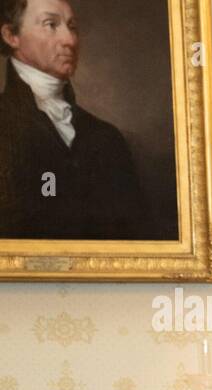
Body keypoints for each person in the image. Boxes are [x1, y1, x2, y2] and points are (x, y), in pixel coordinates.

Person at [0, 0, 151, 238]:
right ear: (11, 35)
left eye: (72, 27)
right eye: (51, 25)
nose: (69, 40)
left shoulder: (107, 139)